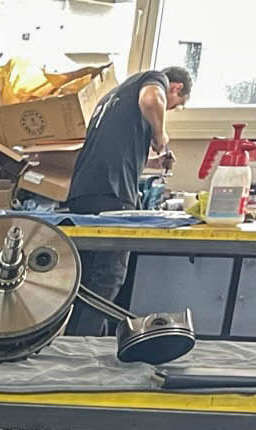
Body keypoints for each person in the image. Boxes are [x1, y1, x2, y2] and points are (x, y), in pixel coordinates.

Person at [63, 64, 193, 334]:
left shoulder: (113, 97)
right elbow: (151, 101)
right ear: (176, 88)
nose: (170, 109)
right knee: (107, 277)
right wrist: (160, 135)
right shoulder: (154, 80)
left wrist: (154, 162)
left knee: (83, 280)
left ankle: (71, 343)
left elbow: (115, 151)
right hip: (113, 196)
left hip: (84, 194)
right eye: (175, 104)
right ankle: (83, 346)